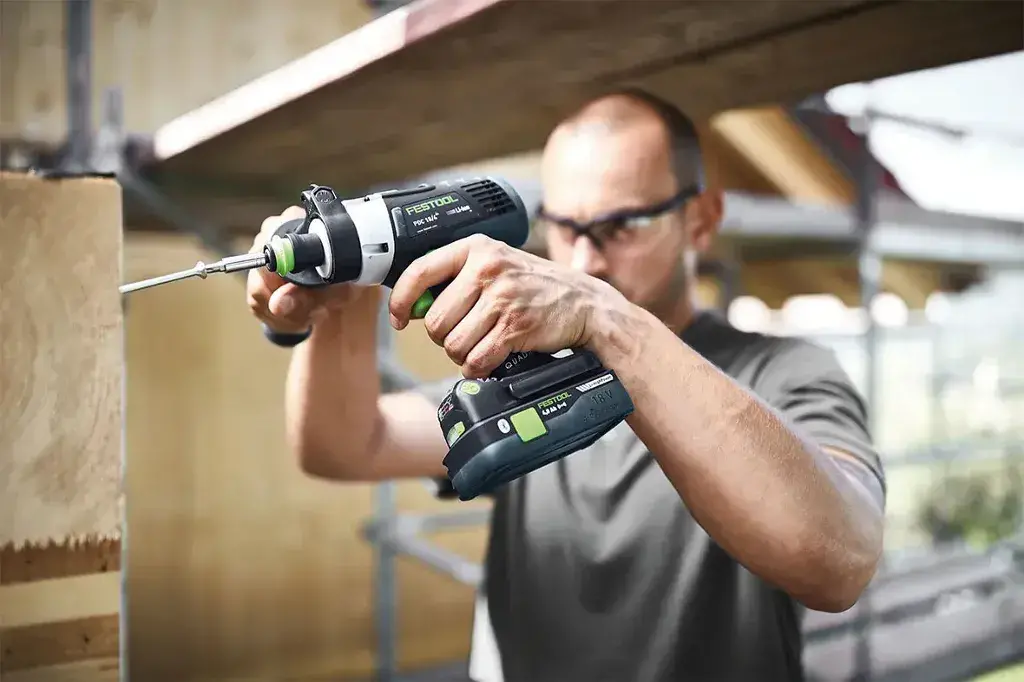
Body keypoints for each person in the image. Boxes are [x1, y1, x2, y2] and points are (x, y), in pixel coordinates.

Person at [246, 89, 887, 682]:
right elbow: (344, 443)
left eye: (621, 227)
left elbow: (838, 562)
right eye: (566, 226)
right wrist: (337, 307)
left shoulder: (785, 372)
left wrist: (608, 319)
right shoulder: (526, 369)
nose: (584, 261)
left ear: (700, 219)